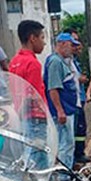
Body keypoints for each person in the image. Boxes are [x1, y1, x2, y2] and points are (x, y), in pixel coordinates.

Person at [9, 20, 48, 168]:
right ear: (33, 38)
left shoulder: (15, 61)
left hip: (21, 117)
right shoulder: (33, 63)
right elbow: (33, 95)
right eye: (42, 38)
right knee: (38, 156)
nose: (44, 43)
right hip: (36, 117)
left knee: (30, 153)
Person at [44, 32, 80, 168]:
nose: (73, 49)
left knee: (67, 143)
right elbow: (53, 88)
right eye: (71, 45)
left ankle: (65, 172)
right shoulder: (55, 62)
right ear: (62, 44)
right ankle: (63, 176)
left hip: (68, 109)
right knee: (65, 144)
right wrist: (60, 111)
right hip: (62, 112)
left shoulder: (61, 62)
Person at [63, 28, 90, 165]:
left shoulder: (73, 61)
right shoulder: (60, 61)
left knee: (80, 130)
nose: (76, 45)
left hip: (78, 100)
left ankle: (78, 154)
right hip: (70, 105)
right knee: (70, 137)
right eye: (72, 42)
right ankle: (72, 161)